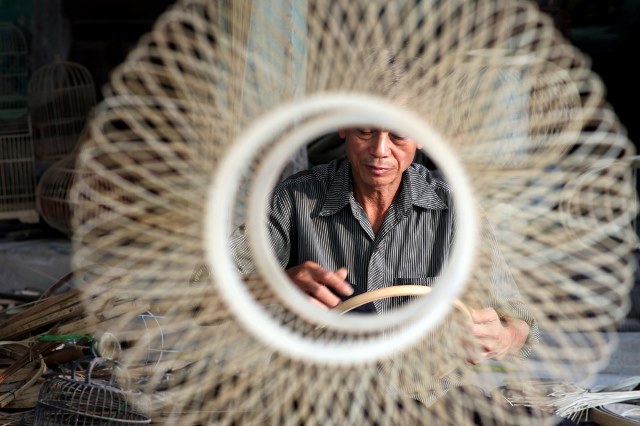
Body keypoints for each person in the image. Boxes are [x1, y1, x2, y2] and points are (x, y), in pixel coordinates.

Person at [231, 126, 537, 362]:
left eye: (398, 136)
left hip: (424, 399)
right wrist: (273, 285)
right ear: (344, 127)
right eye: (365, 132)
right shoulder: (294, 199)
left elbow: (521, 322)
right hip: (316, 391)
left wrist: (503, 336)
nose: (380, 150)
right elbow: (201, 296)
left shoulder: (457, 211)